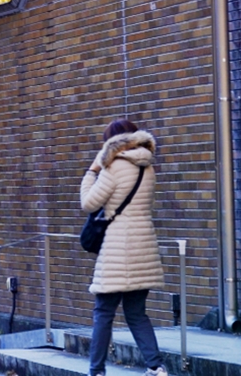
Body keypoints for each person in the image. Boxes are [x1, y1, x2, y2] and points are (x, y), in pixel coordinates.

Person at [80, 118, 166, 376]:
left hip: (119, 248)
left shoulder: (114, 167)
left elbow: (89, 203)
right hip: (144, 246)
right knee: (137, 313)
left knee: (104, 312)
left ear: (111, 142)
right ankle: (156, 367)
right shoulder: (147, 167)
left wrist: (92, 171)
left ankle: (96, 371)